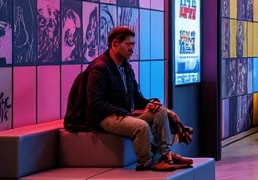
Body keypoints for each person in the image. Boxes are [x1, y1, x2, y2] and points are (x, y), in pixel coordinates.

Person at [64, 25, 191, 172]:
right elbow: (95, 104)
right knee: (141, 127)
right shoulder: (99, 68)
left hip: (123, 114)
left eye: (133, 45)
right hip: (104, 118)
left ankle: (164, 156)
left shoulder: (126, 67)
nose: (132, 48)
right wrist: (124, 113)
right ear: (115, 44)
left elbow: (136, 97)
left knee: (161, 112)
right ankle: (145, 163)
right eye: (128, 44)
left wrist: (150, 103)